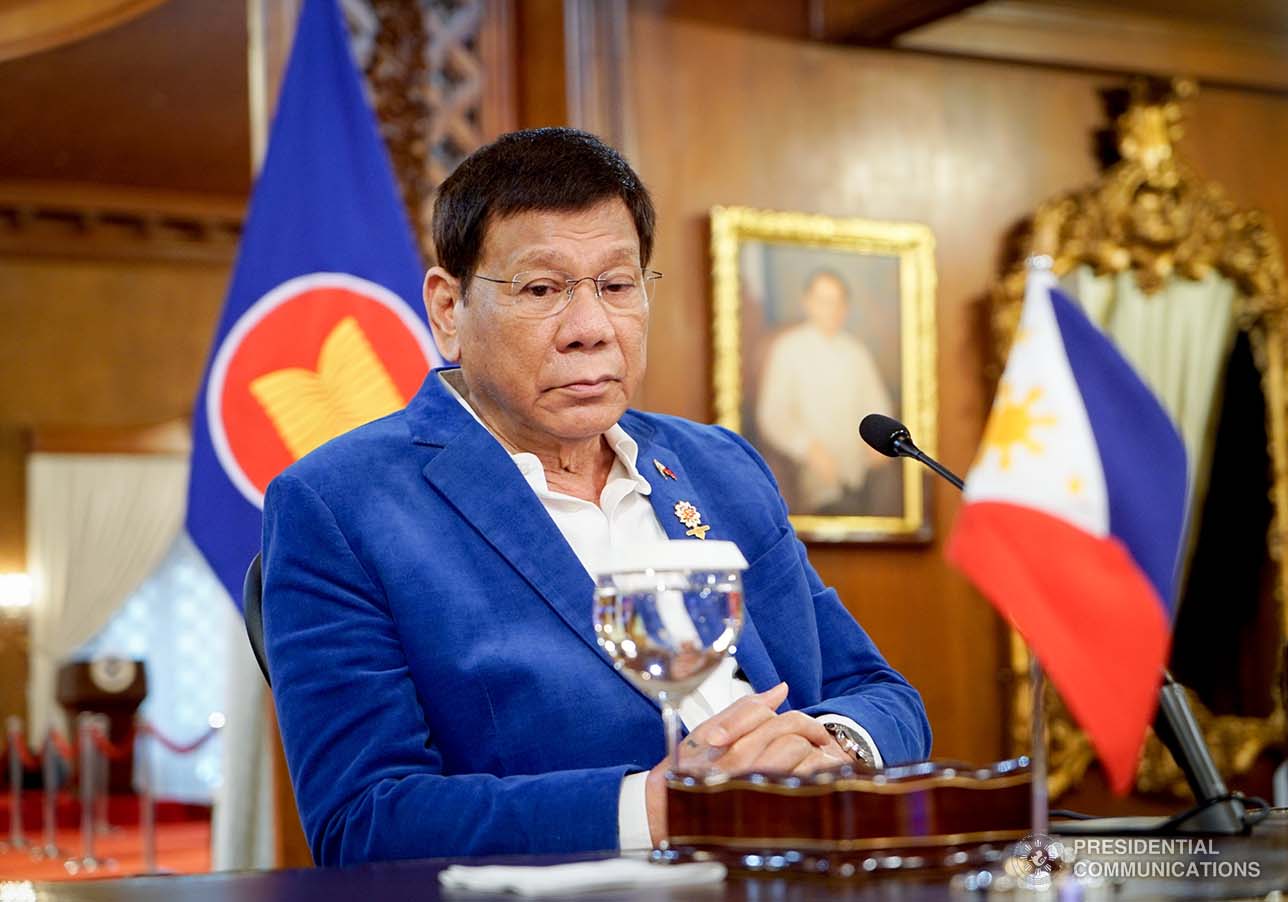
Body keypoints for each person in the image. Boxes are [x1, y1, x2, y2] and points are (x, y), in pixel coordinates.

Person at [261, 128, 931, 867]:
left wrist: (829, 749)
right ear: (449, 310)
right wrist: (659, 807)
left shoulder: (720, 466)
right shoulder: (340, 504)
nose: (591, 330)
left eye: (617, 286)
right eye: (542, 289)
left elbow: (878, 692)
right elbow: (364, 821)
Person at [755, 269, 895, 514]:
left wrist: (877, 446)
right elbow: (773, 416)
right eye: (824, 301)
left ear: (846, 307)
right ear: (808, 303)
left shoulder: (856, 353)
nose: (831, 309)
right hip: (809, 482)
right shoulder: (788, 350)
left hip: (858, 479)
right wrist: (808, 448)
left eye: (837, 302)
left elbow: (877, 407)